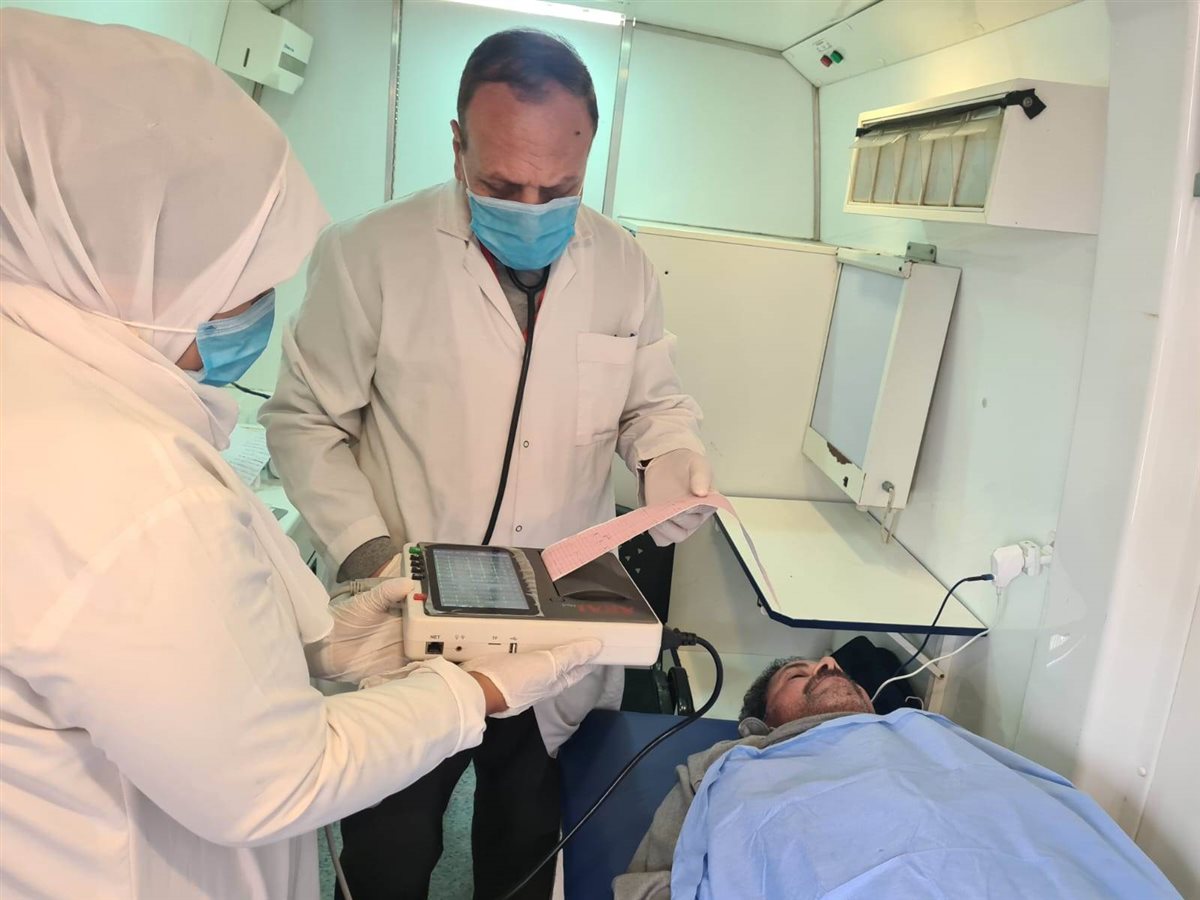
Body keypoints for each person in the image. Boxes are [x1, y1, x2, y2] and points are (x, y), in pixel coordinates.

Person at [0, 11, 600, 899]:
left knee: (523, 838)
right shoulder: (129, 485)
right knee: (391, 850)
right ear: (124, 259)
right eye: (239, 277)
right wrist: (470, 688)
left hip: (511, 602)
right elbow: (274, 775)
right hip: (136, 861)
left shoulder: (63, 396)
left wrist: (324, 639)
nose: (255, 307)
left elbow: (179, 637)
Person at [260, 28, 712, 899]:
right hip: (410, 619)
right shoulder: (370, 255)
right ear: (457, 144)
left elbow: (652, 403)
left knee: (526, 847)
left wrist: (671, 456)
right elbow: (305, 422)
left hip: (553, 627)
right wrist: (371, 555)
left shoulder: (623, 265)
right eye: (504, 186)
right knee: (390, 853)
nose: (534, 208)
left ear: (588, 155)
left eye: (561, 188)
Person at [613, 656, 1179, 900]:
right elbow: (652, 883)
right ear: (761, 721)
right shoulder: (732, 765)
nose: (826, 666)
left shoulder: (931, 732)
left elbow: (1043, 806)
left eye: (831, 666)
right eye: (798, 675)